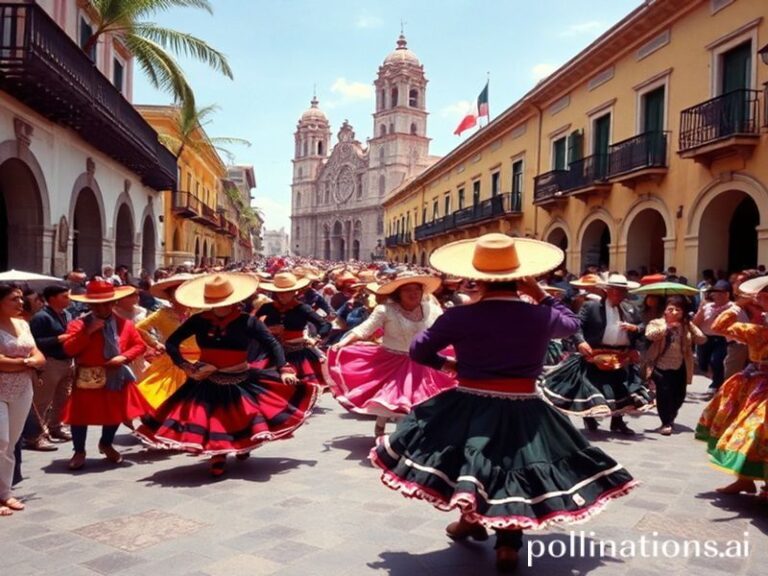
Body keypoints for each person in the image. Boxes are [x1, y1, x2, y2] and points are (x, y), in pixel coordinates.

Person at [370, 234, 638, 572]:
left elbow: (419, 350)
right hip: (525, 403)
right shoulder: (539, 316)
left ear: (478, 278)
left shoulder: (460, 316)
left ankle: (473, 521)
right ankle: (507, 544)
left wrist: (449, 366)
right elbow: (571, 324)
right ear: (521, 277)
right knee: (514, 467)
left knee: (471, 463)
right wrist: (540, 293)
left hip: (470, 400)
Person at [136, 274, 316, 476]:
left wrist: (283, 368)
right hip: (206, 378)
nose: (220, 307)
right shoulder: (199, 320)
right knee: (212, 418)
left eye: (223, 302)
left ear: (234, 300)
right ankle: (218, 455)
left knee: (243, 416)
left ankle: (242, 445)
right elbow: (172, 342)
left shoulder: (247, 321)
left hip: (240, 376)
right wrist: (184, 365)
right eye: (215, 303)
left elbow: (272, 343)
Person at [328, 272, 456, 436]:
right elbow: (364, 329)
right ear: (398, 293)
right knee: (394, 399)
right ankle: (388, 434)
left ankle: (407, 436)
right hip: (393, 360)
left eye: (417, 289)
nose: (413, 293)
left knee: (420, 401)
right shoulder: (384, 310)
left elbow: (446, 331)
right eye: (407, 290)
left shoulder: (433, 309)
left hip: (425, 361)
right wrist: (343, 342)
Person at [541, 274, 652, 434]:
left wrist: (636, 332)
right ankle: (589, 417)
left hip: (621, 356)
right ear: (607, 291)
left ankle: (618, 421)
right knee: (593, 387)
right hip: (595, 355)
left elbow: (642, 326)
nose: (620, 294)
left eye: (623, 291)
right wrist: (580, 341)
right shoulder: (591, 307)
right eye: (616, 290)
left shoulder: (630, 308)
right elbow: (577, 326)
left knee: (620, 390)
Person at [62, 280, 150, 471]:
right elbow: (69, 349)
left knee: (114, 414)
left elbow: (139, 345)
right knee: (80, 416)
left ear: (113, 303)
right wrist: (88, 331)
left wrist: (123, 357)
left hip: (115, 375)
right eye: (96, 304)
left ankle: (106, 443)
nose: (102, 307)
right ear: (89, 305)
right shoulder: (79, 323)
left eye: (106, 303)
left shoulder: (124, 324)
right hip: (88, 376)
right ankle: (79, 451)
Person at [696, 275, 768, 498]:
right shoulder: (758, 330)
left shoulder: (758, 331)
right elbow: (719, 326)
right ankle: (745, 480)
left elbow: (720, 325)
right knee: (746, 430)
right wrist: (740, 305)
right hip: (754, 386)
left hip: (758, 388)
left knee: (757, 433)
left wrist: (739, 305)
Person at [0, 284, 46, 516]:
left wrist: (27, 362)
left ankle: (5, 492)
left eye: (20, 299)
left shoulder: (23, 324)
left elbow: (39, 354)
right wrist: (26, 363)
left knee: (11, 443)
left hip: (22, 389)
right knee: (1, 439)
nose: (21, 303)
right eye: (13, 299)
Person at [644, 297, 707, 435]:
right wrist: (666, 328)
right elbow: (650, 335)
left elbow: (702, 339)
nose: (674, 312)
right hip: (661, 364)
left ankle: (670, 417)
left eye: (678, 309)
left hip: (681, 365)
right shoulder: (656, 323)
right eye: (670, 309)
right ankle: (666, 422)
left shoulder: (686, 326)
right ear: (665, 311)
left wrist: (690, 325)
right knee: (664, 394)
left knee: (679, 395)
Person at [256, 272, 331, 388]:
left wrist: (316, 339)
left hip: (296, 352)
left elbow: (324, 324)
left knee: (299, 386)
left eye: (286, 293)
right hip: (270, 351)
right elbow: (252, 324)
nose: (282, 296)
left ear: (294, 292)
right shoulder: (267, 307)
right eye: (279, 293)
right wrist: (266, 330)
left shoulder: (302, 308)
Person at [134, 275, 199, 409]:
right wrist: (155, 343)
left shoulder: (198, 313)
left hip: (198, 360)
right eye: (176, 294)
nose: (181, 297)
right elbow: (139, 328)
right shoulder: (162, 314)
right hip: (171, 360)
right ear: (170, 297)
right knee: (165, 397)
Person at [25, 285, 74, 449]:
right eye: (64, 296)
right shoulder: (41, 317)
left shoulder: (67, 314)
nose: (69, 299)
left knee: (63, 398)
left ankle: (56, 427)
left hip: (67, 361)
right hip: (50, 362)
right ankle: (36, 435)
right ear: (53, 298)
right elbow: (35, 342)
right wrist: (59, 339)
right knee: (43, 400)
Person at [693, 280, 737, 398]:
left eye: (720, 292)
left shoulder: (733, 308)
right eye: (714, 292)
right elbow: (696, 323)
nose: (716, 295)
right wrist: (700, 312)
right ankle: (716, 379)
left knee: (716, 360)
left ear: (727, 294)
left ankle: (715, 384)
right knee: (702, 363)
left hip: (722, 339)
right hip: (706, 338)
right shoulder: (706, 307)